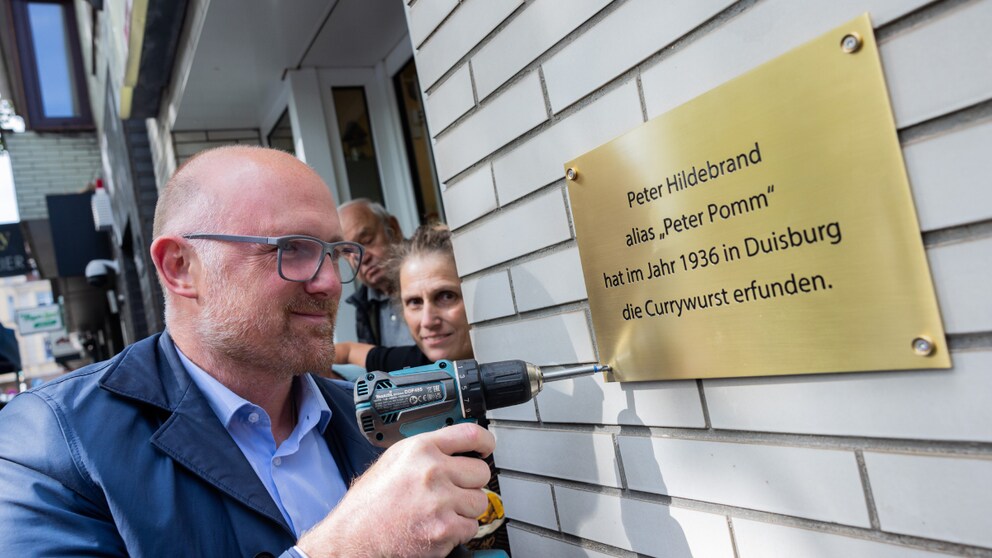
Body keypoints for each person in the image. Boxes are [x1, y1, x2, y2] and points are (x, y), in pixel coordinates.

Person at [0, 146, 495, 557]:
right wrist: (350, 546)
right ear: (180, 267)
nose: (327, 283)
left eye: (335, 252)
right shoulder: (54, 445)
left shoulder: (365, 416)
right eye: (292, 249)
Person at [334, 223, 472, 372]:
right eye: (415, 302)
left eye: (446, 296)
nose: (427, 321)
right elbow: (349, 351)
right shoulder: (418, 363)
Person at [338, 199, 416, 347]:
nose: (362, 258)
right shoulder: (364, 305)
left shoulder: (432, 277)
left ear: (394, 229)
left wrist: (352, 353)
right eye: (348, 251)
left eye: (367, 241)